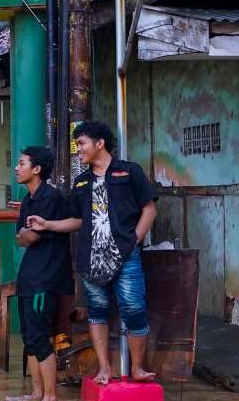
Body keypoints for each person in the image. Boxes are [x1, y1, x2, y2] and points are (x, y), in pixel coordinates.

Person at [45, 120, 158, 385]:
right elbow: (78, 220)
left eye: (82, 144)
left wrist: (134, 240)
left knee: (134, 310)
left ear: (100, 143)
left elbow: (149, 209)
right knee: (97, 311)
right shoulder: (81, 183)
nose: (79, 150)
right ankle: (104, 369)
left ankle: (138, 369)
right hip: (91, 258)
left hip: (125, 255)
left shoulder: (129, 173)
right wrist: (48, 224)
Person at [15, 147, 76, 401]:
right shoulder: (28, 199)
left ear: (37, 169)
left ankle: (51, 398)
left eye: (22, 163)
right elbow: (20, 237)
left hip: (46, 278)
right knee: (29, 337)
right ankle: (36, 393)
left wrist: (29, 234)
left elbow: (31, 236)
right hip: (29, 276)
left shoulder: (51, 198)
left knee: (40, 336)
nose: (17, 168)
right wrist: (26, 234)